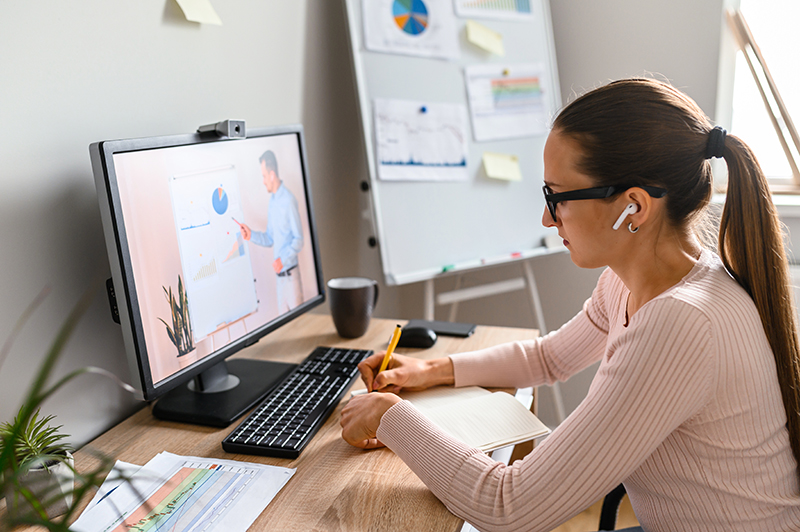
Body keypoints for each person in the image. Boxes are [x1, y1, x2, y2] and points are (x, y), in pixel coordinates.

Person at [340, 78, 800, 531]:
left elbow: (509, 507)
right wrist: (431, 371)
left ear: (633, 208)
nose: (546, 217)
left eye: (556, 197)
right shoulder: (635, 281)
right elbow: (549, 357)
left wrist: (389, 417)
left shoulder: (681, 322)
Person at [237, 150, 304, 313]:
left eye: (264, 176)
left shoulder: (288, 201)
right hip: (280, 281)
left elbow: (299, 239)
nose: (263, 181)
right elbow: (269, 238)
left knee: (298, 326)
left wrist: (283, 259)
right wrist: (251, 234)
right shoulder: (272, 202)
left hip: (291, 278)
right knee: (284, 330)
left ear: (272, 174)